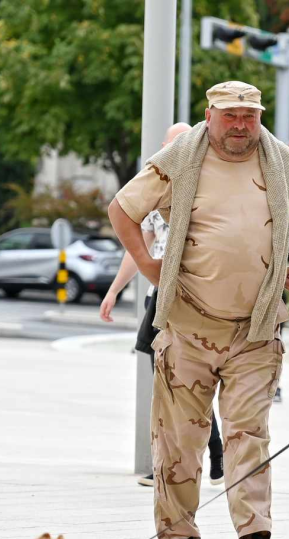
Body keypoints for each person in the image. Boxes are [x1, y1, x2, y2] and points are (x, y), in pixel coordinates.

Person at [107, 80, 289, 539]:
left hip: (255, 330)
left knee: (248, 434)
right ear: (210, 115)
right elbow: (123, 208)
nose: (239, 125)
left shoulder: (280, 160)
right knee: (179, 441)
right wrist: (147, 264)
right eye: (230, 115)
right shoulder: (180, 157)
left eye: (249, 116)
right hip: (187, 325)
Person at [100, 123, 225, 489]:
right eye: (165, 143)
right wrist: (113, 291)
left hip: (193, 291)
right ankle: (183, 458)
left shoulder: (206, 185)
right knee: (168, 377)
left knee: (186, 379)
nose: (164, 148)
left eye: (171, 143)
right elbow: (141, 247)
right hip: (161, 294)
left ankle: (198, 456)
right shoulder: (156, 189)